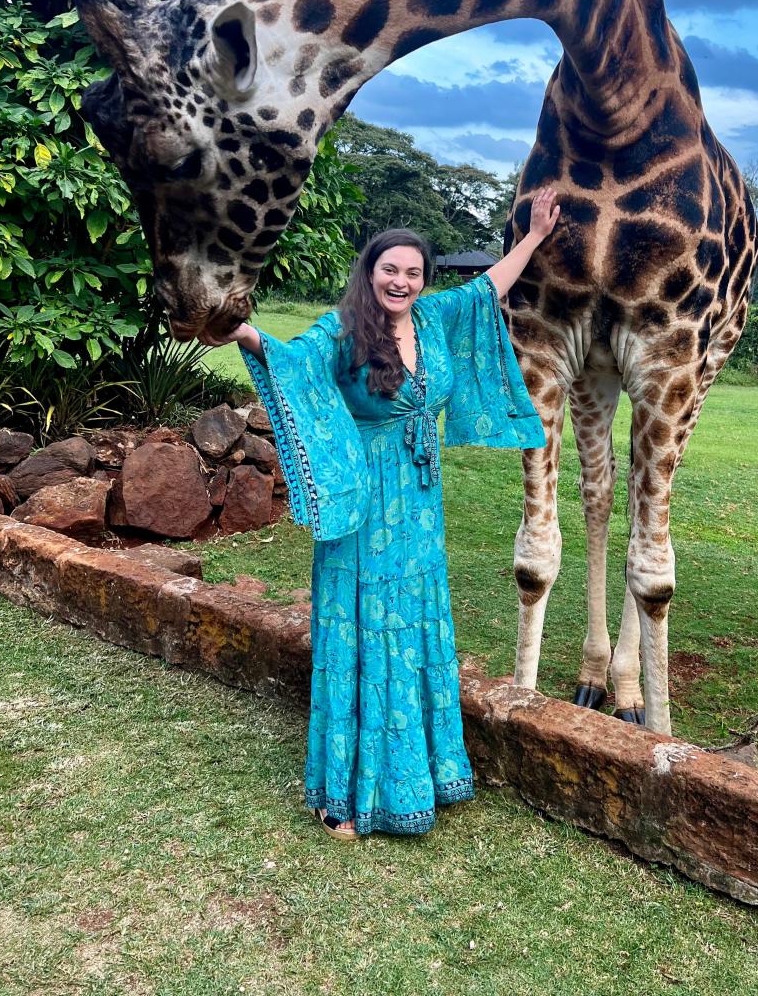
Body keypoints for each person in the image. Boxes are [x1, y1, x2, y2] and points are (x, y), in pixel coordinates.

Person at [202, 186, 560, 839]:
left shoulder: (433, 320)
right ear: (371, 273)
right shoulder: (341, 330)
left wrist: (533, 237)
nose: (401, 281)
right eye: (390, 269)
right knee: (367, 629)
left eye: (412, 272)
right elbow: (292, 360)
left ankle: (418, 777)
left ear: (423, 281)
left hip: (422, 505)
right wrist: (243, 332)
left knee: (414, 623)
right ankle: (351, 795)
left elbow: (489, 287)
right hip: (364, 501)